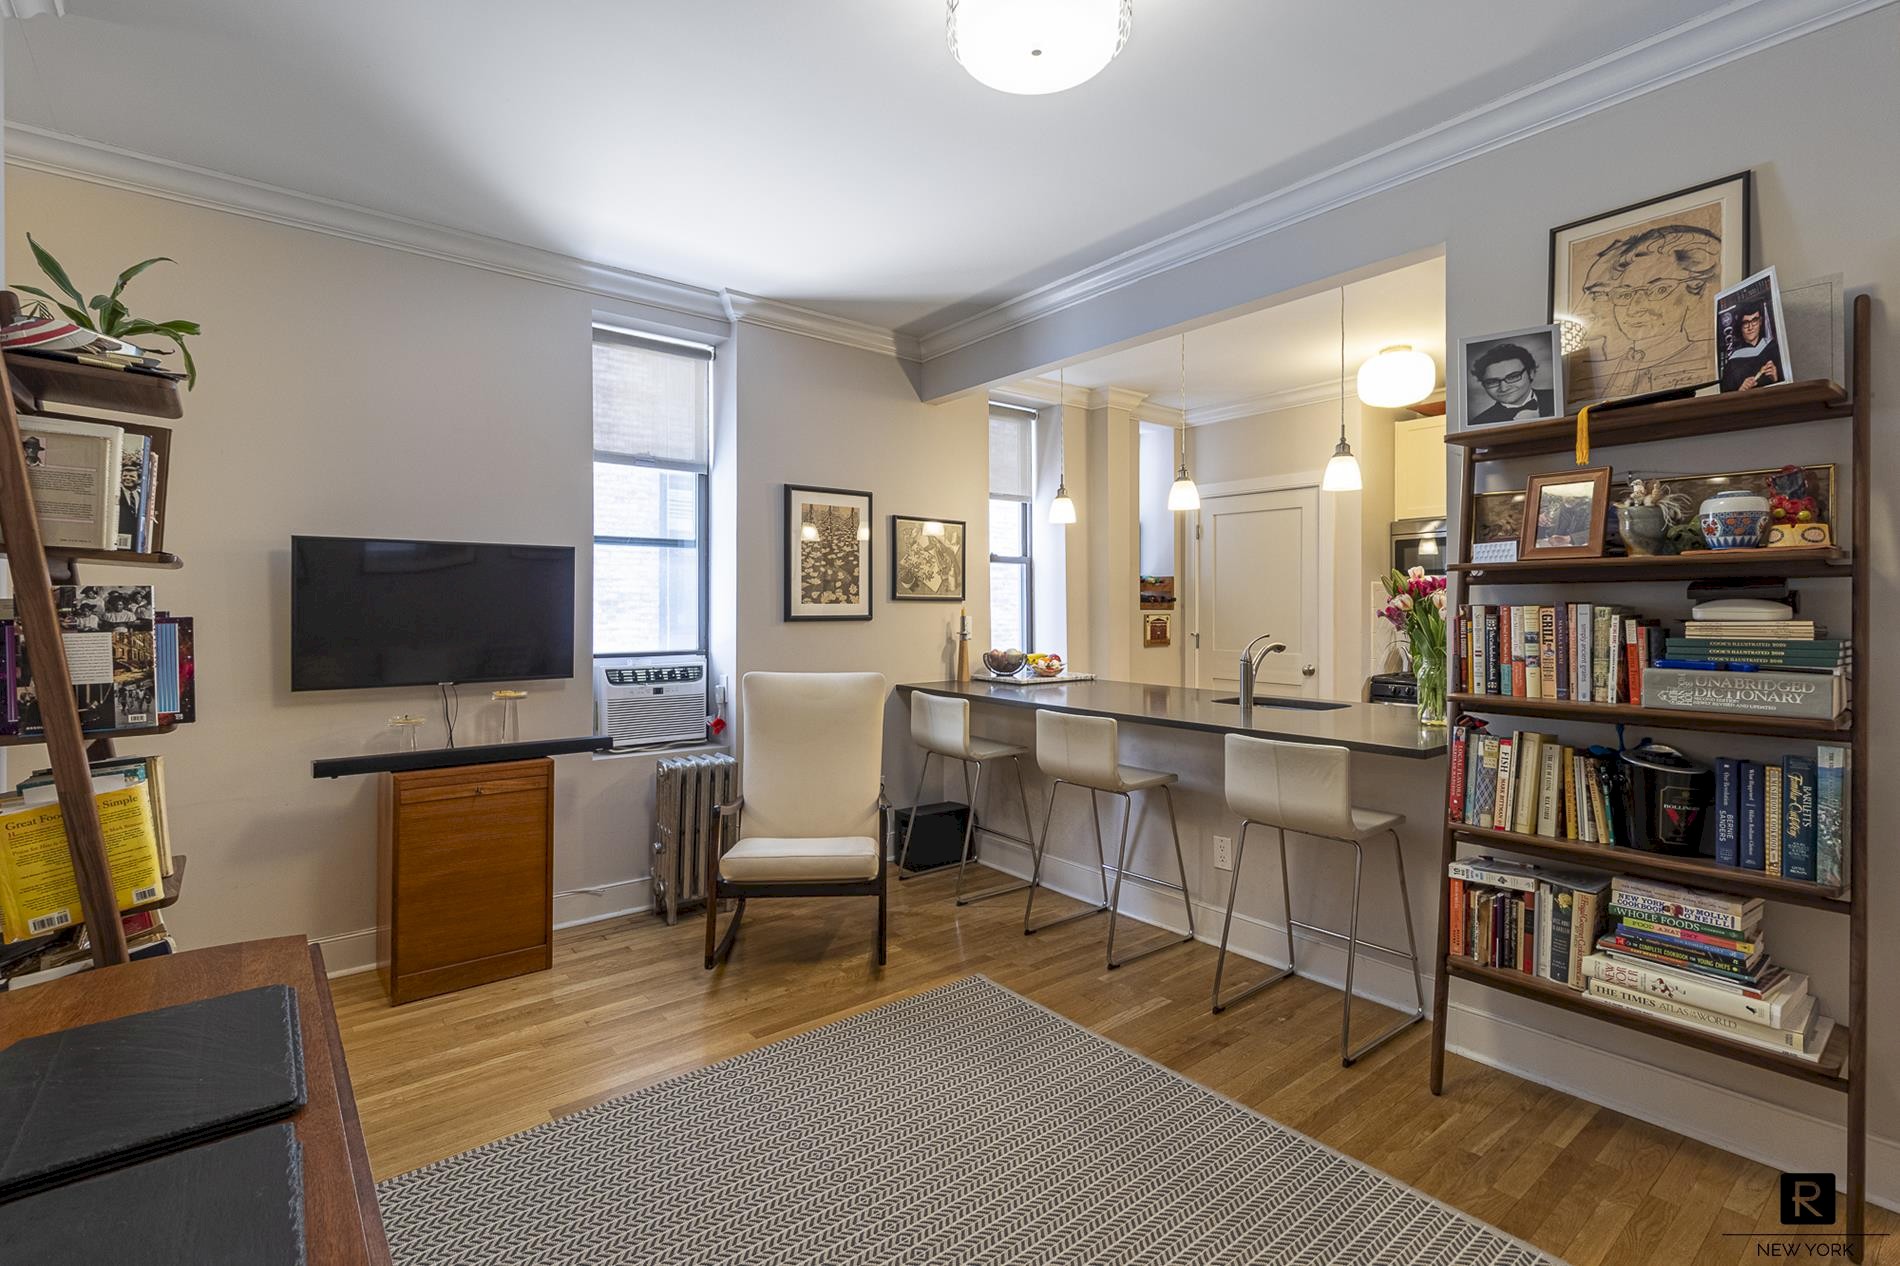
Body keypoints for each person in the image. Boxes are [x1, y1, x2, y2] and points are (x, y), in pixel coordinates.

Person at [1577, 223, 1721, 398]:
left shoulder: (1708, 364)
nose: (1634, 308)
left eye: (1659, 289)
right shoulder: (1601, 376)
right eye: (1625, 294)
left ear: (1695, 291)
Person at [1468, 342, 1554, 424]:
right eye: (1492, 382)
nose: (1504, 388)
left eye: (1513, 377)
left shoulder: (1556, 397)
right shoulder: (1478, 423)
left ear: (1531, 373)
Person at [1720, 299, 1786, 391]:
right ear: (1740, 326)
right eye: (1745, 323)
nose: (1750, 327)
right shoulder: (1732, 364)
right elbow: (1727, 398)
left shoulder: (1774, 348)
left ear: (1760, 321)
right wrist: (1741, 391)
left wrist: (1776, 378)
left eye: (1754, 320)